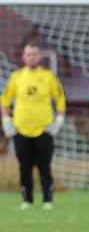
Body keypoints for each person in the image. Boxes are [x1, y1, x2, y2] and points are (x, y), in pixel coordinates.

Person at [1, 40, 66, 210]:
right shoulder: (16, 77)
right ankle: (27, 201)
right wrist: (6, 120)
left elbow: (60, 99)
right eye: (28, 54)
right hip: (21, 129)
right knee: (24, 168)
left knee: (44, 167)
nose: (31, 57)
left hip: (44, 129)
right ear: (24, 57)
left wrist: (59, 121)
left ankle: (47, 201)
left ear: (40, 56)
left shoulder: (49, 77)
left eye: (34, 54)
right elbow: (5, 100)